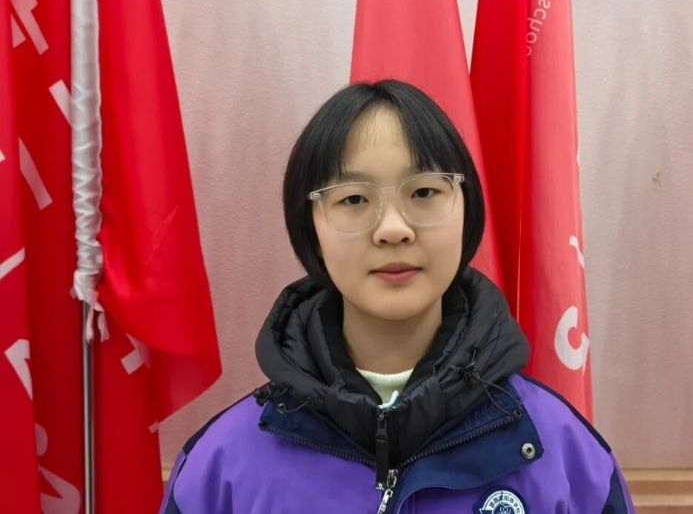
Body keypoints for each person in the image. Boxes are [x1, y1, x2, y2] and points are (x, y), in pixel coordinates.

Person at [160, 80, 634, 513]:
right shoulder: (221, 468)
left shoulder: (566, 455)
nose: (393, 228)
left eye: (424, 192)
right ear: (312, 227)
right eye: (353, 199)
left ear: (466, 210)